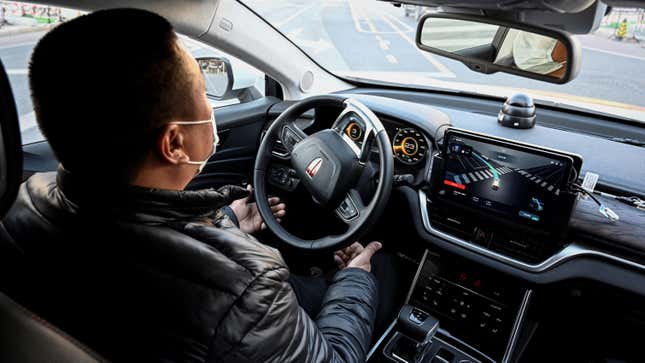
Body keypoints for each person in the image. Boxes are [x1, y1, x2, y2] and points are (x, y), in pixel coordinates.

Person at [0, 8, 383, 363]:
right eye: (203, 93)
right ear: (174, 144)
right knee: (383, 277)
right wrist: (355, 281)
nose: (210, 106)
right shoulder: (247, 291)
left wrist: (226, 225)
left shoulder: (21, 203)